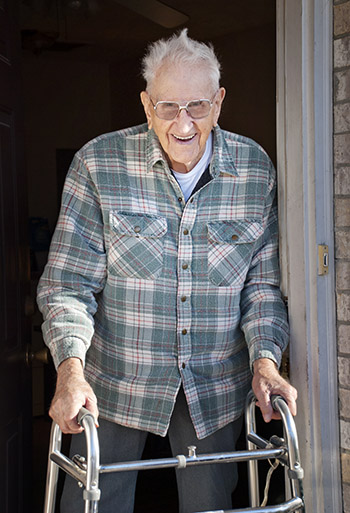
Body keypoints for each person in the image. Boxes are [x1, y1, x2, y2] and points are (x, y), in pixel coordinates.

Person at [37, 29, 297, 513]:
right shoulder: (98, 164)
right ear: (145, 104)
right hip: (115, 381)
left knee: (212, 506)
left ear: (219, 103)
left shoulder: (255, 170)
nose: (183, 123)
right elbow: (69, 285)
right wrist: (69, 372)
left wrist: (266, 360)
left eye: (197, 106)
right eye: (167, 107)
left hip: (214, 382)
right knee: (91, 504)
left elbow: (261, 287)